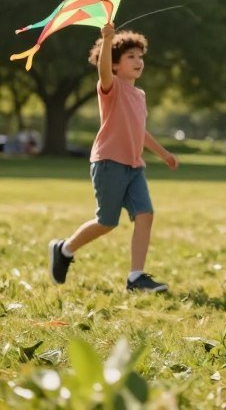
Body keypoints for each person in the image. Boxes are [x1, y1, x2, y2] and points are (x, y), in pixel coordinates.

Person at [48, 23, 179, 292]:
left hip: (134, 166)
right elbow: (103, 71)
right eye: (131, 56)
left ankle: (136, 278)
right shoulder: (111, 87)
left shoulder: (139, 95)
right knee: (106, 222)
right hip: (109, 163)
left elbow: (139, 131)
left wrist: (164, 154)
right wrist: (107, 41)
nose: (138, 61)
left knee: (146, 215)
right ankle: (65, 249)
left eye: (140, 56)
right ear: (116, 65)